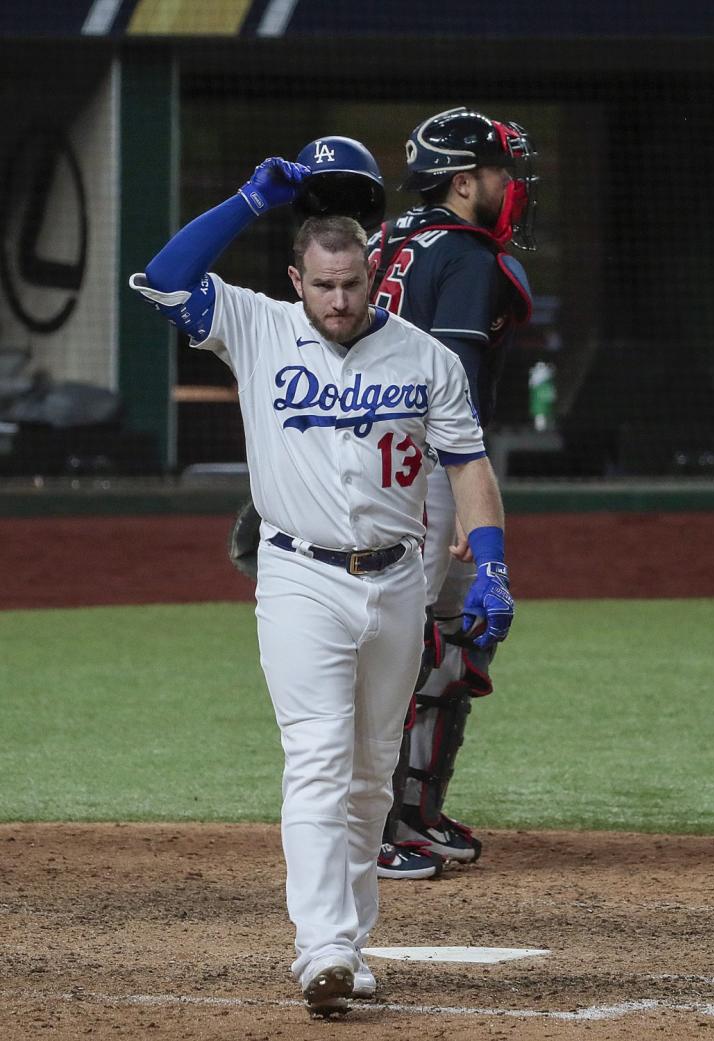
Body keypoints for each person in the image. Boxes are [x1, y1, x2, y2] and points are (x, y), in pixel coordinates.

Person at [128, 140, 515, 1018]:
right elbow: (160, 278)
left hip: (399, 581)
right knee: (316, 758)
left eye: (352, 284)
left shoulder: (425, 358)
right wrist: (246, 200)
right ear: (297, 279)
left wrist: (490, 563)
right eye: (323, 285)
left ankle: (350, 941)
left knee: (374, 773)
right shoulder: (257, 326)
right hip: (299, 577)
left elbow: (467, 466)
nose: (339, 301)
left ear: (374, 271)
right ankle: (323, 948)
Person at [368, 107, 537, 876]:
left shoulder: (381, 242)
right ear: (465, 182)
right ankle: (380, 822)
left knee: (448, 636)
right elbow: (456, 381)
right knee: (413, 645)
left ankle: (413, 810)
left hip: (368, 462)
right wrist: (467, 504)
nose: (512, 185)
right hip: (427, 465)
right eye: (502, 171)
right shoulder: (465, 254)